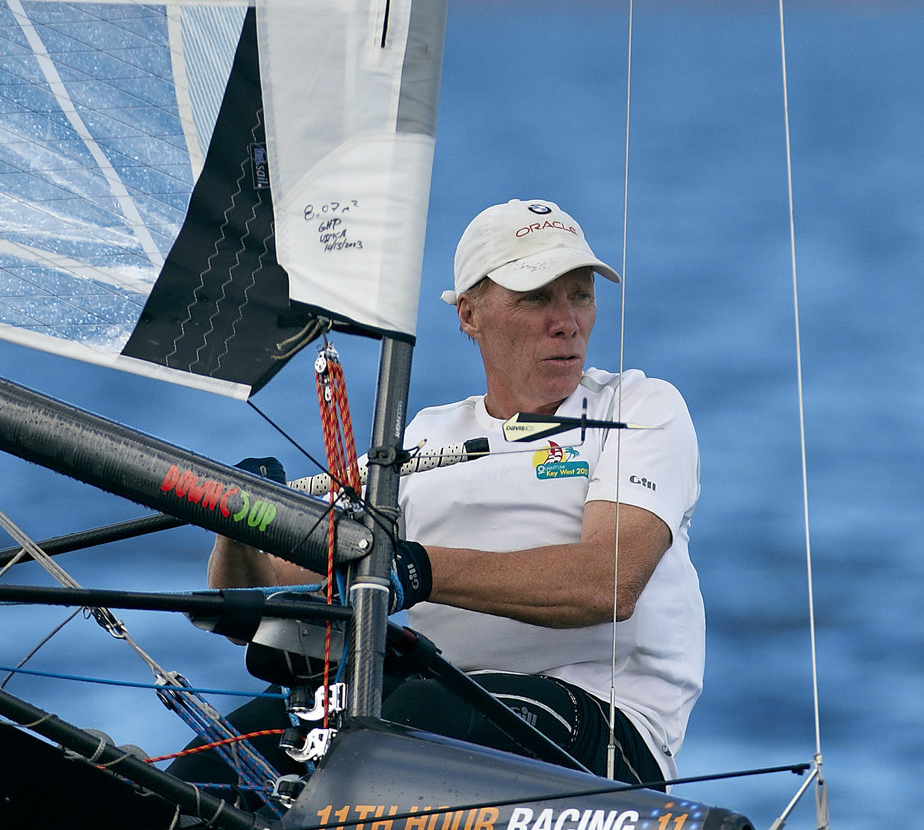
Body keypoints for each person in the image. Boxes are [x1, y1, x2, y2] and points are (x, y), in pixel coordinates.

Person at [208, 198, 704, 786]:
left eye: (581, 295)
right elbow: (254, 592)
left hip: (601, 730)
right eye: (536, 297)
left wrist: (419, 569)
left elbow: (609, 581)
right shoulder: (423, 437)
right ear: (470, 314)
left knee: (392, 724)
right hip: (431, 702)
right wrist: (236, 519)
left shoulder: (639, 408)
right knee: (232, 745)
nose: (566, 320)